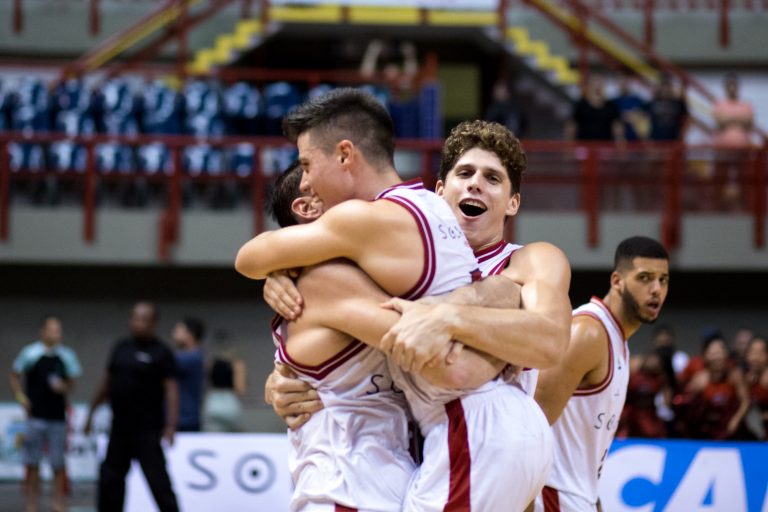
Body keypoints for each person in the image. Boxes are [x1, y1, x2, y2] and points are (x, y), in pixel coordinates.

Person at [259, 117, 572, 510]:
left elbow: (551, 340)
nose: (475, 184)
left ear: (513, 203)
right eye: (464, 173)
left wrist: (449, 316)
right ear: (439, 191)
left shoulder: (528, 261)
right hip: (419, 453)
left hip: (480, 433)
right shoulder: (392, 265)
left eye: (492, 178)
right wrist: (287, 373)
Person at [530, 236, 670, 512]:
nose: (656, 289)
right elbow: (530, 426)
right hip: (550, 496)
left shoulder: (618, 341)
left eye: (663, 280)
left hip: (577, 496)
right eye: (645, 278)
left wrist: (594, 500)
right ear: (617, 281)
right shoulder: (589, 333)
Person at [84, 301, 179, 512]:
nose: (138, 323)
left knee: (159, 482)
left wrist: (171, 425)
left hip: (148, 430)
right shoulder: (121, 348)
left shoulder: (161, 352)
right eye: (135, 318)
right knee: (110, 480)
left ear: (153, 323)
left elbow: (172, 390)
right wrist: (91, 412)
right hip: (120, 428)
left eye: (144, 320)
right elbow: (106, 383)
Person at [9, 315, 82, 512]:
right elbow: (14, 375)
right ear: (43, 332)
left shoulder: (66, 355)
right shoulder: (30, 353)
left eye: (58, 330)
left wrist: (64, 386)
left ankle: (57, 502)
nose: (56, 334)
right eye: (52, 330)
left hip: (57, 417)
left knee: (58, 463)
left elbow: (72, 381)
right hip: (36, 416)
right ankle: (32, 502)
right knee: (33, 462)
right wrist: (21, 398)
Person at [674, 335, 751, 440]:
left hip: (731, 429)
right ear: (705, 356)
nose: (717, 357)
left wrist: (736, 419)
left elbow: (745, 401)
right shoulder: (699, 380)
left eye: (720, 352)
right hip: (706, 431)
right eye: (713, 353)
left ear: (726, 354)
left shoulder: (735, 376)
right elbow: (685, 405)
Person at [202, 331, 247, 432]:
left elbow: (205, 384)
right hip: (230, 403)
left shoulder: (209, 363)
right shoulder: (237, 364)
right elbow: (240, 389)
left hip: (212, 402)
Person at [564, 74, 623, 143]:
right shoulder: (580, 105)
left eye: (600, 84)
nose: (597, 87)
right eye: (594, 83)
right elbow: (571, 126)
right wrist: (568, 145)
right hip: (584, 144)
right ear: (589, 86)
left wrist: (620, 143)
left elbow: (617, 127)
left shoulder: (611, 106)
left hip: (605, 145)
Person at [172, 317, 205, 432]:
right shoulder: (198, 355)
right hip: (186, 415)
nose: (174, 333)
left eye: (178, 330)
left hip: (183, 417)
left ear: (190, 334)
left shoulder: (189, 358)